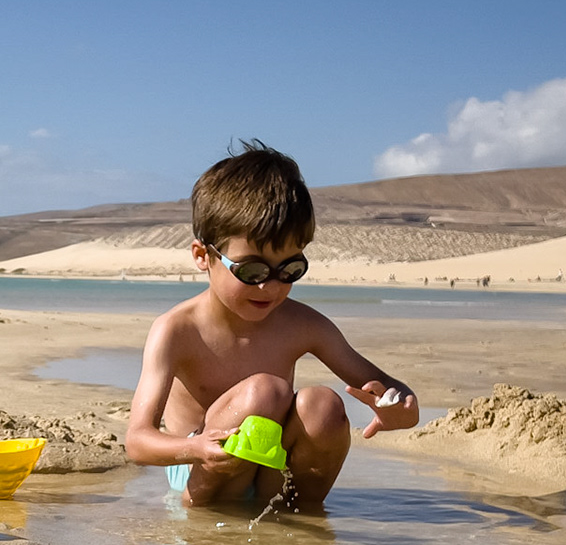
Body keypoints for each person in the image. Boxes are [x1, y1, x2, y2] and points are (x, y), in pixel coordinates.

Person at [124, 142, 417, 509]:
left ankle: (298, 518)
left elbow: (393, 392)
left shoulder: (303, 324)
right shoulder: (177, 330)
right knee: (265, 392)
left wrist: (397, 409)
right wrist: (194, 448)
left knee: (322, 405)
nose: (270, 286)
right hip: (201, 466)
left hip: (272, 470)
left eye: (290, 269)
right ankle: (206, 525)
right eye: (251, 270)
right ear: (203, 256)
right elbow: (137, 442)